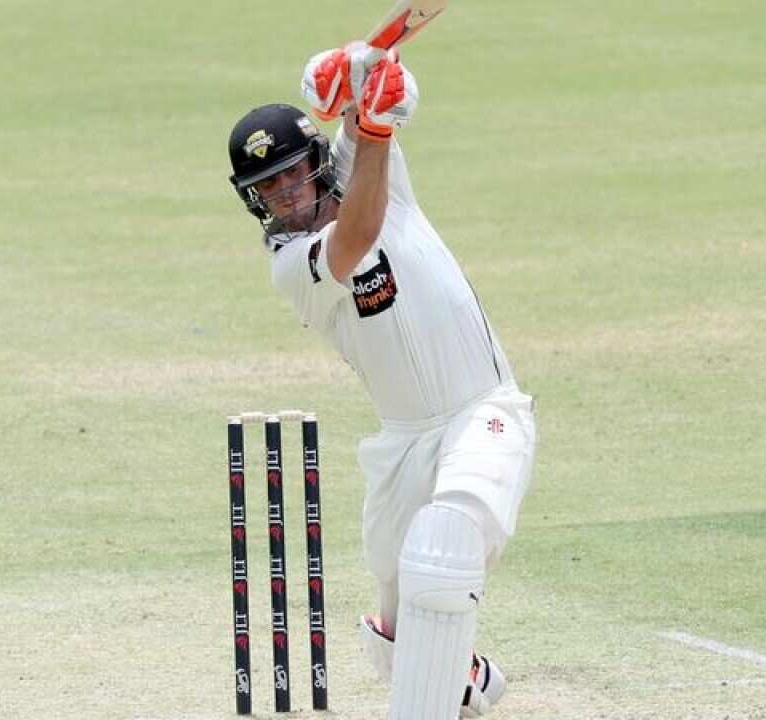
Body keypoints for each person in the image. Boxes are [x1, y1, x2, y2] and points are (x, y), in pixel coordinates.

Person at [226, 46, 537, 719]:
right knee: (400, 638)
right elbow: (359, 228)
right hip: (403, 449)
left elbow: (391, 88)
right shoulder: (291, 263)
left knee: (444, 552)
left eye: (292, 178)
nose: (285, 197)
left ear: (315, 164)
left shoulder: (371, 164)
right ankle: (466, 679)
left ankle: (443, 688)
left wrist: (345, 70)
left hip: (482, 411)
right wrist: (368, 123)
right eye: (268, 190)